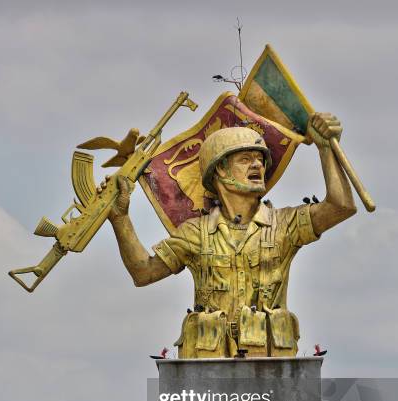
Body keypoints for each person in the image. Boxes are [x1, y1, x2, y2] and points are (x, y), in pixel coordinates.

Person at [109, 113, 356, 358]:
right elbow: (144, 272)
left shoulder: (284, 224)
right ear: (220, 171)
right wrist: (120, 218)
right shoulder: (196, 233)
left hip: (270, 370)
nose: (258, 165)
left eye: (260, 159)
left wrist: (326, 148)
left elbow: (340, 207)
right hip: (208, 371)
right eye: (245, 159)